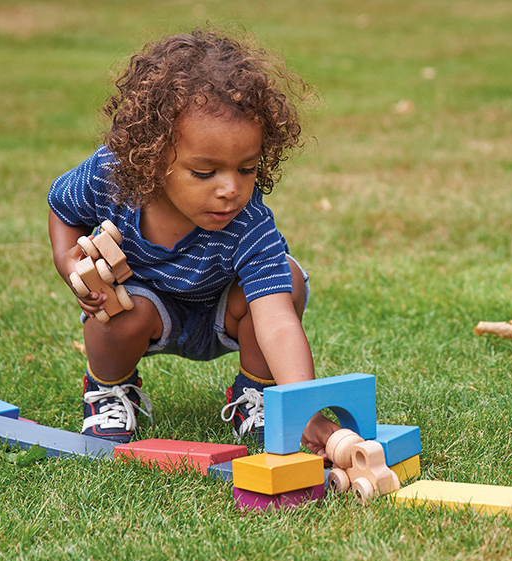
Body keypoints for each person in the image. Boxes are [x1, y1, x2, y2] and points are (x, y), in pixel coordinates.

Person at [47, 28, 337, 458]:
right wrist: (68, 262)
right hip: (145, 309)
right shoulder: (111, 177)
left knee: (287, 280)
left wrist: (303, 409)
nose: (230, 189)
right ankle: (108, 391)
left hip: (223, 312)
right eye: (205, 173)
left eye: (247, 169)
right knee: (116, 315)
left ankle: (256, 398)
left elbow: (275, 321)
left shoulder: (249, 223)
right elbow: (63, 208)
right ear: (151, 153)